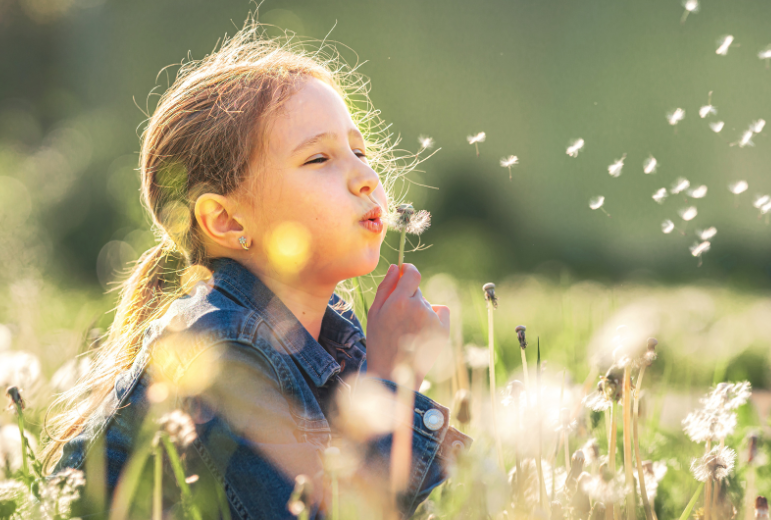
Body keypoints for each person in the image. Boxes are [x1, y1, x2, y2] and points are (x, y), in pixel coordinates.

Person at [40, 12, 470, 519]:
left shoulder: (329, 336)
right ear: (224, 219)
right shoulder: (220, 349)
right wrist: (391, 382)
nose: (365, 178)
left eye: (359, 150)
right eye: (319, 160)